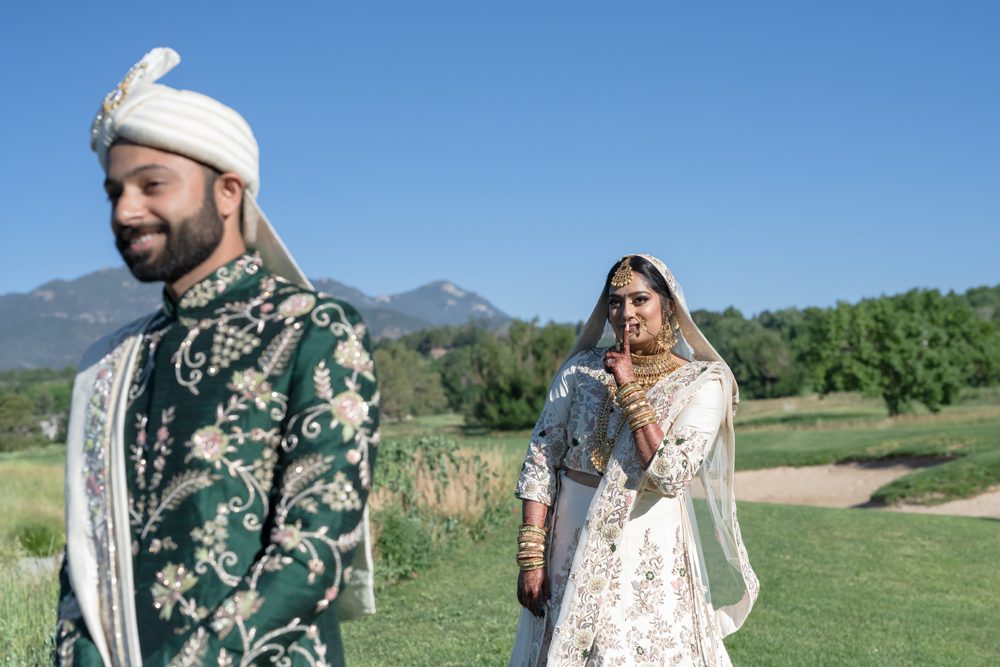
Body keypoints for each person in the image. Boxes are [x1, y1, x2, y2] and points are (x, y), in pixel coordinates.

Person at [54, 48, 379, 666]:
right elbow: (84, 567)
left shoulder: (316, 331)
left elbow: (312, 550)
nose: (125, 211)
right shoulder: (110, 361)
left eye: (152, 184)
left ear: (228, 191)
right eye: (114, 191)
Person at [509, 254, 758, 666]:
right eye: (615, 301)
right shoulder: (579, 371)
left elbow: (668, 475)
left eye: (640, 299)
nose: (626, 313)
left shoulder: (701, 383)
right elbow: (541, 459)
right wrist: (531, 556)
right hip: (567, 539)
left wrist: (627, 385)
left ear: (668, 306)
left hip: (645, 542)